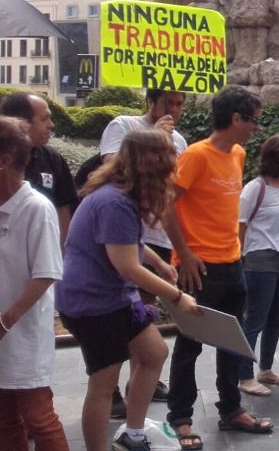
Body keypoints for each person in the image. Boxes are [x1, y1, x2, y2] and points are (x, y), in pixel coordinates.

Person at [57, 129, 202, 451]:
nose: (174, 167)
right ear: (154, 164)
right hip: (92, 303)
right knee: (103, 383)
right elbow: (127, 267)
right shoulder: (114, 202)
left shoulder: (122, 195)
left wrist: (160, 264)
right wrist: (176, 295)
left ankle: (133, 433)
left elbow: (128, 244)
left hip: (114, 298)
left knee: (154, 353)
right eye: (170, 160)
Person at [163, 86, 272, 450]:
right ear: (236, 118)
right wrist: (184, 254)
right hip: (198, 268)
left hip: (231, 263)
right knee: (190, 344)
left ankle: (231, 409)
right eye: (253, 120)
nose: (257, 127)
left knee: (232, 343)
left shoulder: (238, 153)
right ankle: (180, 417)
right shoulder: (195, 155)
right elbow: (166, 206)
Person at [99, 88, 187, 415]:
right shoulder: (123, 125)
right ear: (150, 102)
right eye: (170, 102)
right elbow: (114, 168)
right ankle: (108, 388)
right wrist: (153, 137)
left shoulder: (180, 141)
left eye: (180, 104)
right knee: (120, 314)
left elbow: (174, 190)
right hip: (125, 232)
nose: (176, 110)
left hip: (158, 237)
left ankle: (139, 383)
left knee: (142, 316)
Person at [0, 116, 70, 451]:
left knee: (38, 417)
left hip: (24, 332)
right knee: (4, 418)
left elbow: (46, 273)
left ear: (5, 161)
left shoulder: (36, 208)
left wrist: (6, 319)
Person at [237, 134, 279, 396]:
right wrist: (241, 257)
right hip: (260, 259)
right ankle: (244, 375)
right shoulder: (256, 187)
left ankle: (265, 369)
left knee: (276, 319)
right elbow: (240, 224)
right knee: (254, 319)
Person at [0, 92, 75, 244]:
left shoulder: (52, 159)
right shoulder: (5, 158)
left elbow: (63, 209)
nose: (51, 125)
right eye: (44, 118)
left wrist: (60, 253)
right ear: (21, 122)